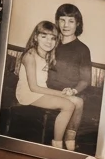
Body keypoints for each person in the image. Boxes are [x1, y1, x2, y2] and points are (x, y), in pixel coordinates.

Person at [14, 21, 83, 149]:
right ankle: (57, 144)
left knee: (78, 101)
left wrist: (66, 91)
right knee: (67, 105)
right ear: (36, 37)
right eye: (44, 36)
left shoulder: (46, 55)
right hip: (28, 94)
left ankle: (70, 142)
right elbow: (33, 87)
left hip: (40, 91)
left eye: (52, 38)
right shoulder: (30, 56)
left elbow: (43, 82)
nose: (48, 41)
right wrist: (61, 93)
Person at [46, 3, 93, 103]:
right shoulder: (50, 43)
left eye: (71, 21)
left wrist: (73, 91)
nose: (66, 25)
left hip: (69, 94)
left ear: (77, 24)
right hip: (47, 91)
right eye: (62, 20)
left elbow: (85, 80)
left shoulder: (83, 49)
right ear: (57, 22)